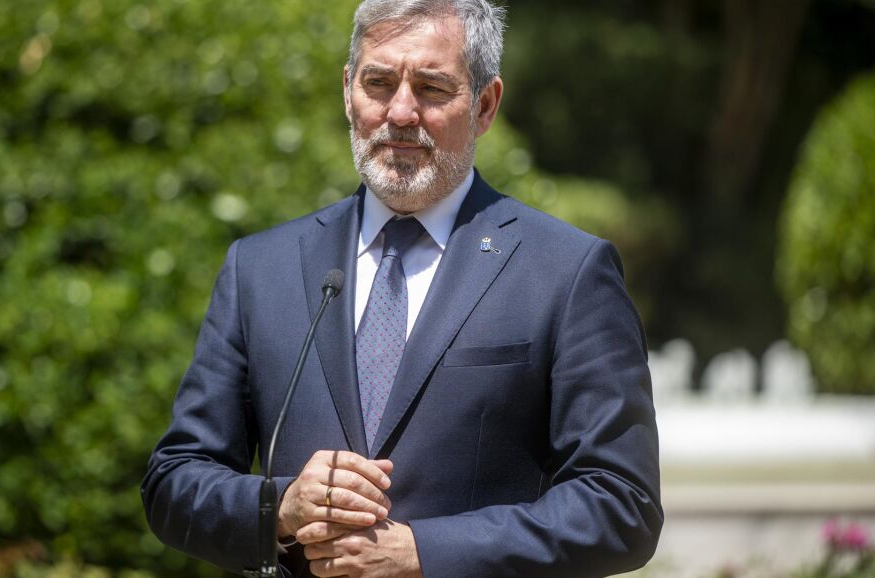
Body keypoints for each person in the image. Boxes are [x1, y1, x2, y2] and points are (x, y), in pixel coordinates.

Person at [141, 0, 663, 576]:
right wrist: (281, 508)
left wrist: (423, 553)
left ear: (485, 105)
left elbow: (622, 505)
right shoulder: (261, 268)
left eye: (432, 88)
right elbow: (173, 482)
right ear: (348, 92)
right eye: (379, 83)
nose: (401, 111)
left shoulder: (565, 271)